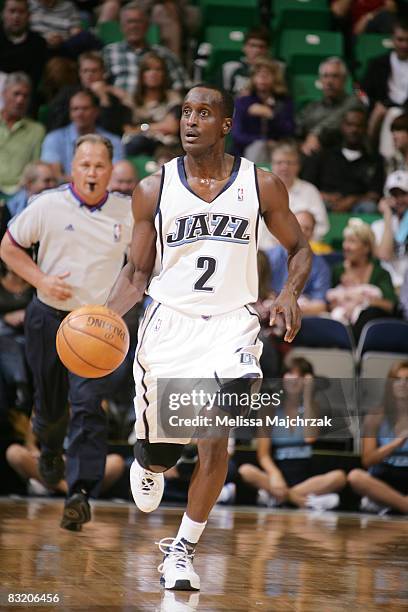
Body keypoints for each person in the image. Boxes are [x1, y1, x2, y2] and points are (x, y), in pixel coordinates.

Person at [106, 84, 312, 591]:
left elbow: (300, 248)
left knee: (218, 432)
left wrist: (289, 293)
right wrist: (103, 319)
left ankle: (182, 549)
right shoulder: (152, 190)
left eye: (203, 113)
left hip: (232, 324)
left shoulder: (260, 185)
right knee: (162, 455)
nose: (190, 121)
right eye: (185, 112)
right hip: (169, 324)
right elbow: (137, 271)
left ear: (225, 125)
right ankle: (148, 455)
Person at [0, 134, 133, 531]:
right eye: (85, 165)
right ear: (72, 168)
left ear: (111, 171)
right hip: (49, 317)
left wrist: (120, 306)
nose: (92, 172)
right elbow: (8, 248)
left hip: (97, 325)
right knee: (51, 405)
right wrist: (41, 279)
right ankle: (50, 446)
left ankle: (80, 491)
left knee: (89, 406)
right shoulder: (47, 205)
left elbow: (142, 266)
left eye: (99, 166)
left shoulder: (127, 213)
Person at [239, 357, 346, 510]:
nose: (294, 378)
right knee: (246, 471)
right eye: (290, 373)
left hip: (305, 474)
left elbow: (310, 437)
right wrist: (275, 475)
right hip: (278, 472)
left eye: (301, 375)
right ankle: (305, 501)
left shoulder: (312, 406)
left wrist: (308, 395)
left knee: (339, 477)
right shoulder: (269, 408)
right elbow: (263, 454)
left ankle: (280, 498)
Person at [348, 360, 408, 515]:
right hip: (383, 479)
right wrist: (395, 444)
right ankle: (402, 505)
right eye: (397, 380)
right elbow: (367, 460)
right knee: (356, 477)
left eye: (407, 380)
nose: (402, 384)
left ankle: (391, 506)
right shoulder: (375, 416)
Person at [302, 108, 385, 213]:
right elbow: (306, 186)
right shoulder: (323, 156)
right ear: (342, 126)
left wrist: (352, 200)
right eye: (349, 125)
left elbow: (374, 194)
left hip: (357, 206)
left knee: (369, 207)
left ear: (366, 129)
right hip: (325, 203)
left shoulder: (374, 160)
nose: (354, 130)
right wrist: (326, 196)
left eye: (359, 126)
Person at [329, 218, 397, 340]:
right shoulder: (337, 270)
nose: (346, 246)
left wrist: (363, 300)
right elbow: (328, 301)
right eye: (345, 241)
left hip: (370, 328)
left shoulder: (381, 273)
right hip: (341, 320)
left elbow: (390, 305)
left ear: (366, 248)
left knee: (368, 314)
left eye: (352, 242)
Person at [102, 2, 189, 95]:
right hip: (120, 106)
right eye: (129, 22)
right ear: (121, 26)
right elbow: (99, 84)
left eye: (138, 21)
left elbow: (182, 86)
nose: (134, 26)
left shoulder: (164, 54)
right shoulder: (108, 52)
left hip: (156, 107)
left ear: (147, 25)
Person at [259, 142, 329, 250]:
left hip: (299, 252)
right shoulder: (260, 190)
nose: (284, 167)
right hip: (264, 253)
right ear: (272, 165)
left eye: (289, 163)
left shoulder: (310, 191)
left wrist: (298, 244)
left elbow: (322, 227)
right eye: (279, 162)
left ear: (298, 166)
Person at [40, 89, 123, 180]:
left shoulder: (113, 141)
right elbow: (54, 176)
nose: (80, 113)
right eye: (75, 109)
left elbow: (115, 176)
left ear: (96, 111)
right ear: (70, 113)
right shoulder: (54, 139)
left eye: (85, 108)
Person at [267, 211, 331, 316]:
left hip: (300, 316)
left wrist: (287, 308)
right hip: (268, 312)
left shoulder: (320, 266)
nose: (302, 231)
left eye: (307, 228)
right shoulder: (269, 256)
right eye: (298, 226)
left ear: (313, 233)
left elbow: (320, 305)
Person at [297, 57, 364, 156]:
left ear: (344, 79)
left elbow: (339, 117)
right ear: (320, 80)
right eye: (325, 76)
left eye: (335, 76)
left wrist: (315, 134)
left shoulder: (354, 102)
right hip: (312, 157)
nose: (329, 81)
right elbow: (297, 128)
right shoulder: (312, 107)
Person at [232, 58, 295, 163]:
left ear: (275, 78)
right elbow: (237, 135)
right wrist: (262, 140)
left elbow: (289, 130)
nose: (262, 78)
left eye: (267, 75)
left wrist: (271, 115)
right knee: (259, 147)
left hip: (277, 147)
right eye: (259, 74)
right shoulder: (243, 101)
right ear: (252, 78)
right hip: (247, 150)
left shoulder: (284, 101)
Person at [122, 52, 182, 157]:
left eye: (158, 69)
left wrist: (141, 128)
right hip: (135, 147)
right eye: (148, 70)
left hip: (166, 148)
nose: (153, 73)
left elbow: (171, 127)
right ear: (141, 74)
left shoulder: (173, 97)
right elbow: (127, 129)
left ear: (164, 74)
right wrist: (158, 127)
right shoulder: (130, 99)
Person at [0, 72, 45, 196]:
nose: (20, 100)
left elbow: (36, 165)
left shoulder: (37, 130)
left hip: (21, 193)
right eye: (16, 94)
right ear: (3, 94)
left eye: (25, 96)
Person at [0, 0, 48, 102]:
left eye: (21, 12)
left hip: (24, 95)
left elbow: (34, 79)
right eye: (12, 11)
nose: (16, 16)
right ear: (3, 14)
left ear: (29, 16)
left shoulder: (39, 43)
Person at [373, 169, 408, 288]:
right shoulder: (378, 225)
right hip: (387, 285)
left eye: (403, 194)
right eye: (394, 195)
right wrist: (387, 216)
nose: (398, 200)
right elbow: (384, 254)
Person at [221, 28, 271, 96]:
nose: (257, 50)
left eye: (261, 47)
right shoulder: (230, 67)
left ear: (267, 49)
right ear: (244, 47)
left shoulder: (277, 68)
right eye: (252, 45)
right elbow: (222, 96)